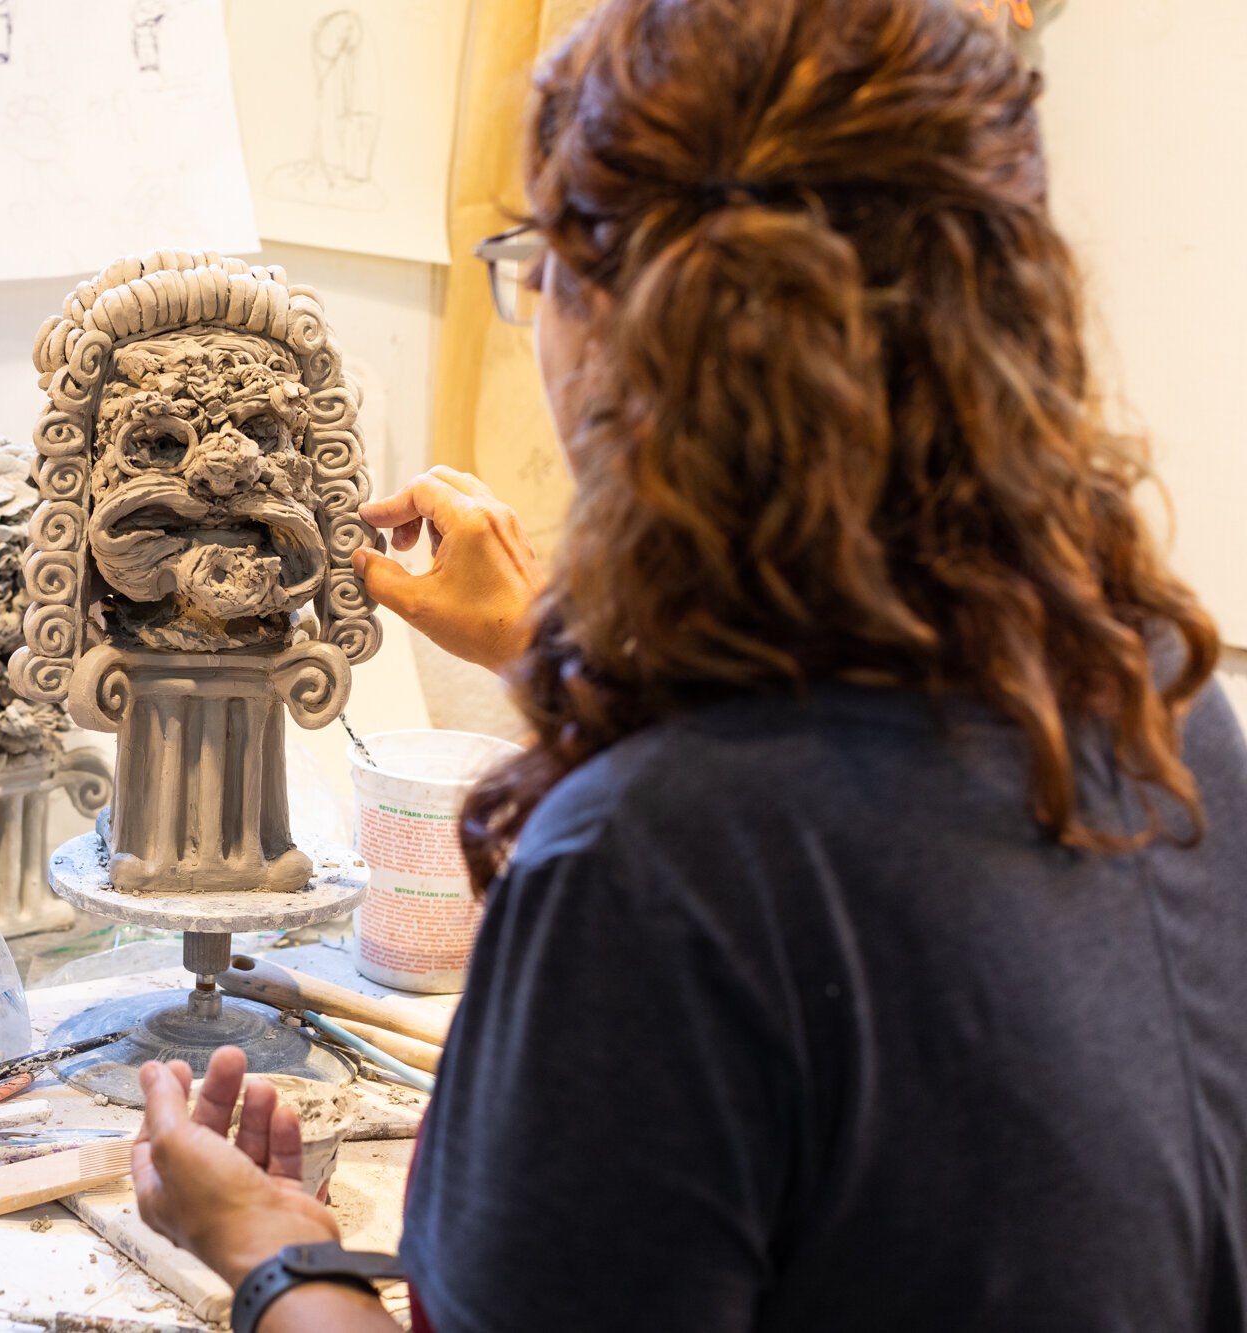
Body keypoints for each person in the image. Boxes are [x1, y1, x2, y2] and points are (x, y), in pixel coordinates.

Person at [127, 0, 1247, 1329]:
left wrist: (264, 1249)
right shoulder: (1152, 695)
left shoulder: (655, 865)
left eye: (539, 261)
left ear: (622, 325)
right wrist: (566, 646)